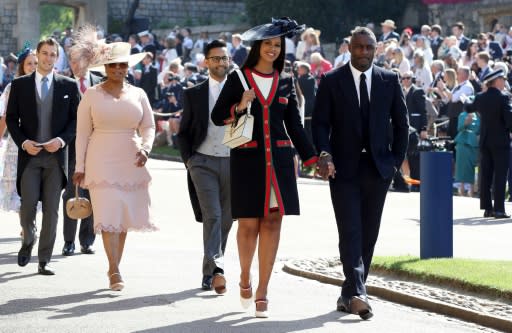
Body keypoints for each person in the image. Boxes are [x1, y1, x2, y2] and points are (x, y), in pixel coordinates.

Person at [211, 17, 317, 318]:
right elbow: (219, 116)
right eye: (268, 44)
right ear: (258, 46)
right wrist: (239, 106)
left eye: (277, 45)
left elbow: (294, 124)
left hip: (279, 163)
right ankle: (245, 277)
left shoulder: (286, 78)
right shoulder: (238, 78)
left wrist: (312, 159)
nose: (272, 49)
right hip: (247, 161)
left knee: (273, 223)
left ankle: (262, 291)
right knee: (248, 225)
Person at [312, 27, 409, 319]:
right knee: (350, 232)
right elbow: (319, 124)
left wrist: (394, 163)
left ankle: (348, 292)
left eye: (369, 47)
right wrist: (325, 153)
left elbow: (402, 125)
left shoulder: (389, 80)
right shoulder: (331, 80)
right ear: (349, 47)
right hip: (343, 170)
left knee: (369, 234)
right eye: (359, 47)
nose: (364, 52)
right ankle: (358, 294)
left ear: (376, 49)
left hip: (379, 169)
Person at [73, 36, 157, 290]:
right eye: (113, 65)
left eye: (122, 65)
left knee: (121, 220)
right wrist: (79, 167)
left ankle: (114, 267)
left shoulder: (139, 93)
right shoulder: (91, 96)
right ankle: (114, 269)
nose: (118, 69)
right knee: (108, 215)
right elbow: (82, 134)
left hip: (131, 160)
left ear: (127, 68)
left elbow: (149, 126)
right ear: (105, 68)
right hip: (100, 161)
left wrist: (146, 148)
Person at [6, 38, 79, 275]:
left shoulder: (68, 85)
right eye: (45, 54)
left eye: (53, 54)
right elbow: (11, 119)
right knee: (27, 207)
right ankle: (28, 239)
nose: (48, 58)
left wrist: (60, 141)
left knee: (52, 209)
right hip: (30, 156)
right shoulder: (20, 85)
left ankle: (44, 259)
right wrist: (24, 142)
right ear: (37, 55)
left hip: (56, 159)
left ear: (57, 58)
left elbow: (75, 121)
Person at [178, 39, 233, 294]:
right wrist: (189, 160)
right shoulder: (193, 93)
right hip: (202, 161)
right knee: (213, 215)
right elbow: (184, 131)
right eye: (216, 58)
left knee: (227, 219)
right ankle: (217, 271)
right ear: (206, 62)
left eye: (224, 58)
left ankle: (210, 269)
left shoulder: (241, 90)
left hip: (234, 162)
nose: (221, 62)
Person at [60, 42, 103, 256]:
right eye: (74, 60)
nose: (78, 64)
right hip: (71, 148)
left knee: (93, 193)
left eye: (82, 59)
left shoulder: (101, 82)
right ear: (70, 62)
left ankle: (87, 240)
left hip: (97, 148)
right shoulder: (63, 84)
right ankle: (69, 241)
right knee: (72, 192)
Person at [468, 69, 512, 218]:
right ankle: (499, 209)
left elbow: (468, 107)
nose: (504, 81)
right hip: (500, 142)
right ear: (497, 81)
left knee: (486, 175)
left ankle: (487, 208)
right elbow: (509, 121)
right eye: (503, 79)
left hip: (485, 141)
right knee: (499, 176)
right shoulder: (503, 97)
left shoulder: (481, 97)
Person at [0, 48, 38, 214]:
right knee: (18, 184)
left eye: (35, 63)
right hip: (17, 142)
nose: (33, 66)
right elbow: (6, 117)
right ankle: (25, 223)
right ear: (22, 65)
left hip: (38, 140)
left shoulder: (46, 86)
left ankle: (31, 219)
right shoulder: (12, 87)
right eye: (29, 63)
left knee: (35, 182)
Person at [454, 110, 480, 197]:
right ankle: (461, 190)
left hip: (475, 145)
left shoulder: (479, 116)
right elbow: (460, 128)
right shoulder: (463, 115)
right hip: (463, 143)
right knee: (461, 167)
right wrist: (466, 122)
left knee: (472, 167)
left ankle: (471, 191)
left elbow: (480, 130)